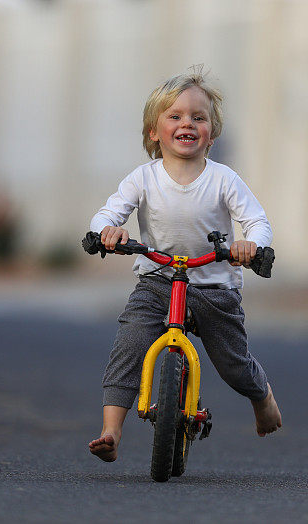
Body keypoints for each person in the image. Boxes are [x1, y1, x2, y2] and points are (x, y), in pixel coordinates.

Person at [88, 70, 282, 462]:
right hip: (157, 281)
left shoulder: (224, 179)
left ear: (212, 133)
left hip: (214, 285)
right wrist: (108, 231)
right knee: (131, 343)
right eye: (174, 116)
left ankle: (262, 397)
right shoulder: (142, 179)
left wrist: (251, 245)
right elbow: (106, 215)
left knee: (232, 361)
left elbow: (257, 221)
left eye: (198, 117)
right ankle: (112, 430)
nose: (187, 124)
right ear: (153, 131)